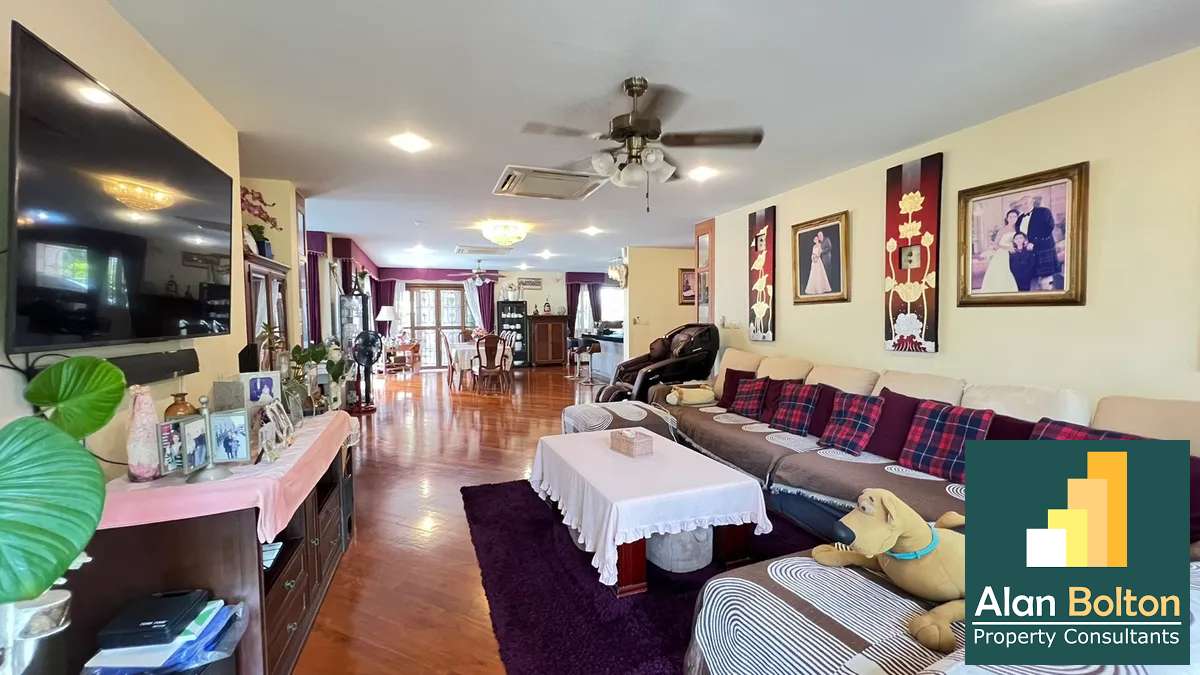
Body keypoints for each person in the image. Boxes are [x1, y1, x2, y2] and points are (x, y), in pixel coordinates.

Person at [1013, 195, 1059, 288]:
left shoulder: (1043, 212)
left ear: (1032, 202)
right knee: (1031, 279)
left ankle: (1048, 295)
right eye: (1022, 204)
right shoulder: (1020, 218)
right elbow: (1018, 234)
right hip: (1028, 251)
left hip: (1043, 249)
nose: (1024, 206)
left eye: (1026, 203)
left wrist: (1034, 242)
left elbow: (1048, 228)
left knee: (1046, 280)